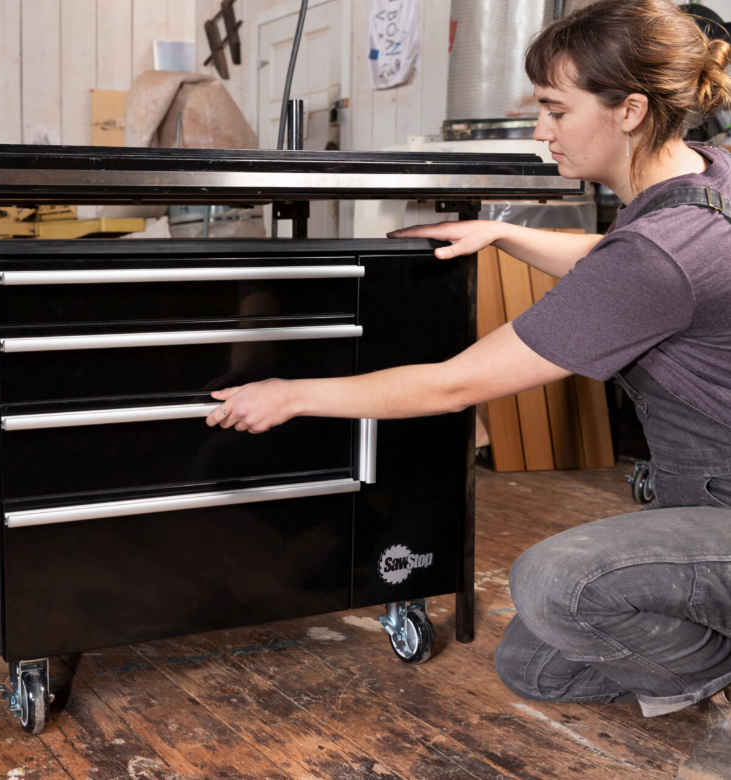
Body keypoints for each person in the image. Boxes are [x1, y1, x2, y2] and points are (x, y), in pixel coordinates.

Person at [204, 2, 731, 777]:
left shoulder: (656, 260)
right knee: (536, 667)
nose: (540, 132)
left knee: (557, 584)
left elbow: (453, 385)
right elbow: (620, 260)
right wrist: (508, 235)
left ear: (629, 110)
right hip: (707, 502)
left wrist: (290, 393)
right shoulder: (706, 181)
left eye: (555, 110)